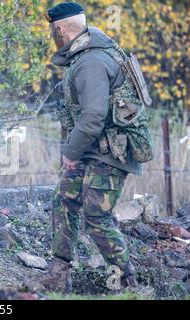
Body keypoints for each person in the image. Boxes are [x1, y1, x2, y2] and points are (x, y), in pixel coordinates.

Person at [35, 2, 154, 292]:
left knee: (96, 215)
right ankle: (58, 276)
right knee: (64, 198)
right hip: (96, 148)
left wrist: (69, 153)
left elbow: (93, 116)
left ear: (60, 29)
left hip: (110, 152)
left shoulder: (90, 61)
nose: (53, 36)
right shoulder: (87, 54)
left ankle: (126, 286)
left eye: (53, 31)